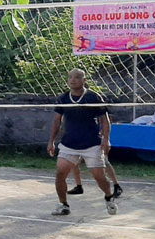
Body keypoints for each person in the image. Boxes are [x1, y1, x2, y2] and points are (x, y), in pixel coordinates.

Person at [48, 69, 117, 216]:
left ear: (84, 80)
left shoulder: (93, 97)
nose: (73, 80)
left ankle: (109, 197)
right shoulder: (63, 99)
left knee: (99, 177)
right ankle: (63, 204)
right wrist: (51, 141)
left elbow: (104, 120)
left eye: (77, 77)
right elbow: (56, 122)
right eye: (70, 77)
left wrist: (106, 139)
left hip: (91, 144)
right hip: (69, 144)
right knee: (60, 173)